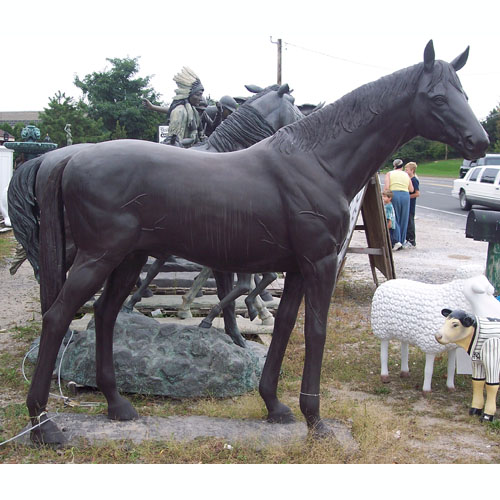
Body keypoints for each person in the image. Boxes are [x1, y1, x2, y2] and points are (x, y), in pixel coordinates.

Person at [142, 67, 205, 146]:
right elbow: (173, 141)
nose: (201, 99)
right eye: (198, 95)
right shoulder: (179, 111)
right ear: (189, 94)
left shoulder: (193, 111)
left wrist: (153, 107)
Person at [384, 158, 414, 249]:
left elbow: (387, 187)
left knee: (394, 218)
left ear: (394, 166)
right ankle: (402, 240)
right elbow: (411, 189)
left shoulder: (390, 173)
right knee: (404, 218)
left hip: (394, 194)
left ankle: (395, 240)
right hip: (405, 195)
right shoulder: (406, 175)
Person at [404, 162, 420, 248]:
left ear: (412, 170)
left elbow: (417, 193)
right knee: (406, 221)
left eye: (407, 169)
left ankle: (412, 240)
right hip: (407, 204)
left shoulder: (414, 180)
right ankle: (406, 238)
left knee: (410, 221)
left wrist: (407, 197)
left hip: (411, 204)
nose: (405, 171)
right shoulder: (408, 179)